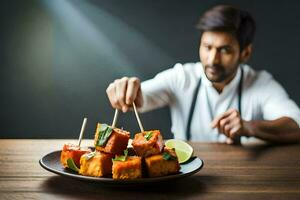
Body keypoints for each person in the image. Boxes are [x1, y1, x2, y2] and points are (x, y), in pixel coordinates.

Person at [106, 5, 300, 144]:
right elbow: (140, 97)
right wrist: (127, 91)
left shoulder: (261, 83)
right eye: (207, 47)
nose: (212, 59)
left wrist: (250, 127)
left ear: (245, 53)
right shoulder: (182, 77)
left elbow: (296, 126)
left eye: (225, 50)